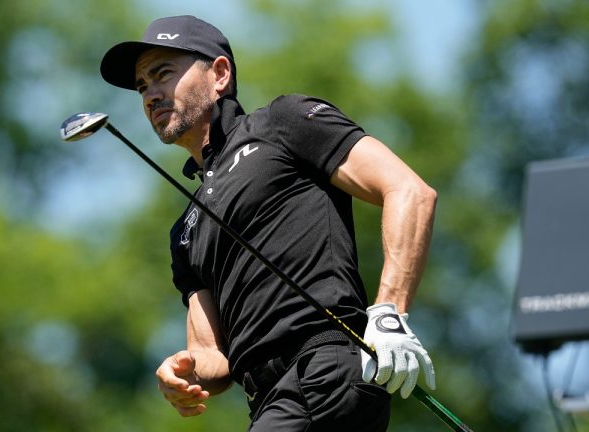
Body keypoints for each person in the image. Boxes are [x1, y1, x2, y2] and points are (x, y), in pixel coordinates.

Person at [100, 15, 437, 431]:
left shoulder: (282, 123)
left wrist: (390, 313)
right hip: (269, 402)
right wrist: (185, 368)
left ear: (220, 74)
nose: (151, 94)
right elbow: (213, 356)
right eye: (141, 86)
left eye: (162, 74)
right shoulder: (184, 232)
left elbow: (408, 191)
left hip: (326, 369)